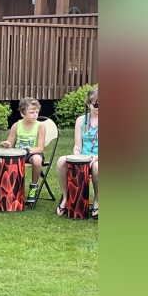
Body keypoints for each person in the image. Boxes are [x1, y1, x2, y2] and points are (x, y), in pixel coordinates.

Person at [56, 88, 99, 219]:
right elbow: (78, 145)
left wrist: (95, 158)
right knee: (61, 161)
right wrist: (76, 153)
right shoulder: (81, 121)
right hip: (84, 157)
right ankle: (66, 197)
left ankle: (97, 200)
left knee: (97, 167)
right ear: (88, 104)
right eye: (96, 104)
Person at [0, 97, 48, 205]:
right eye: (31, 112)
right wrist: (7, 144)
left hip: (33, 152)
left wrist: (30, 150)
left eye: (36, 112)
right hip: (18, 153)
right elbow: (10, 143)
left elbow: (40, 148)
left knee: (36, 160)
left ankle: (33, 186)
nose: (35, 115)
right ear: (22, 113)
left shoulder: (40, 126)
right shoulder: (16, 125)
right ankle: (8, 186)